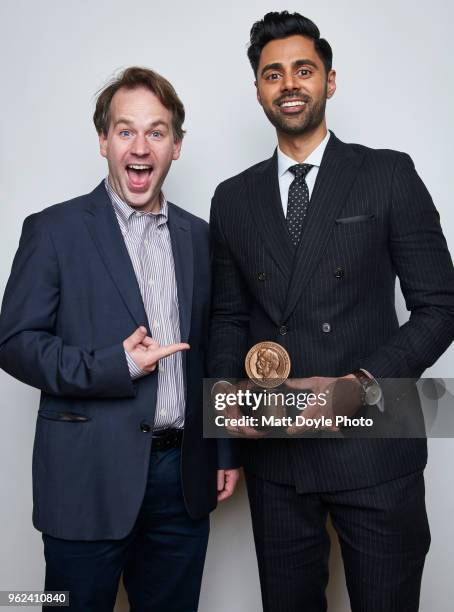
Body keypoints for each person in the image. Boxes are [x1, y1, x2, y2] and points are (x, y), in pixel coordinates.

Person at [209, 11, 454, 612]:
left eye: (303, 69)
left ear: (329, 81)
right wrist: (224, 420)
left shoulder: (388, 173)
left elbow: (441, 305)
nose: (289, 83)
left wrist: (361, 386)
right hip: (278, 451)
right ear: (259, 89)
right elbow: (226, 318)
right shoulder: (233, 196)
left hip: (375, 441)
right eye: (273, 73)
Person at [0, 66, 239, 612]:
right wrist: (116, 365)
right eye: (125, 130)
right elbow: (13, 341)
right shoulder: (53, 230)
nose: (140, 145)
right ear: (103, 140)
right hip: (86, 483)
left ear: (176, 146)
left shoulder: (200, 238)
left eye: (156, 132)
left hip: (182, 482)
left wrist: (224, 447)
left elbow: (215, 344)